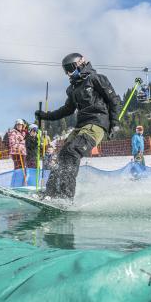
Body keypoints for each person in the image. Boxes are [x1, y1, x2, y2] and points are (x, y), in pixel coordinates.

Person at [35, 53, 121, 200]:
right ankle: (51, 192)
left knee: (72, 151)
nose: (68, 73)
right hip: (81, 126)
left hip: (97, 123)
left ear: (80, 64)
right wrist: (46, 115)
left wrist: (114, 123)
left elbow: (114, 100)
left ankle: (66, 196)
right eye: (65, 70)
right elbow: (67, 110)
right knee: (62, 155)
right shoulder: (73, 89)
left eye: (70, 68)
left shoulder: (96, 79)